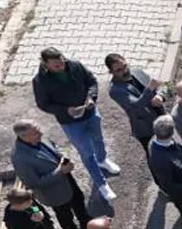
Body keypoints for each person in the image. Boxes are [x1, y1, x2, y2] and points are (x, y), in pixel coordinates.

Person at [31, 48, 118, 202]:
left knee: (98, 139)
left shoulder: (76, 65)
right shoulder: (40, 81)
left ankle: (103, 160)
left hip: (90, 113)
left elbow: (91, 81)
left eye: (62, 61)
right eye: (56, 65)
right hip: (70, 122)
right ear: (46, 64)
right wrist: (65, 110)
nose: (61, 66)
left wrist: (91, 98)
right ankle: (101, 184)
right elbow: (43, 104)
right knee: (86, 153)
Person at [11, 120, 92, 229]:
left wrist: (63, 157)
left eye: (38, 129)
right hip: (54, 193)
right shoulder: (20, 158)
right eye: (35, 132)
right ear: (24, 136)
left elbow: (54, 147)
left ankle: (86, 223)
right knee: (65, 216)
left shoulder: (38, 138)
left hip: (67, 179)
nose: (41, 133)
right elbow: (33, 183)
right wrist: (60, 171)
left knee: (78, 200)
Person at [105, 53, 167, 154]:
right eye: (119, 70)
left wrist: (160, 96)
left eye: (124, 66)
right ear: (111, 72)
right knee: (156, 155)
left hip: (161, 116)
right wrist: (150, 89)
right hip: (147, 128)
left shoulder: (136, 71)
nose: (124, 71)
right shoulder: (115, 90)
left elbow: (160, 86)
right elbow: (136, 106)